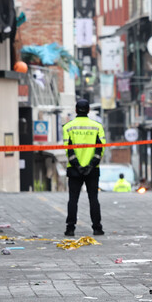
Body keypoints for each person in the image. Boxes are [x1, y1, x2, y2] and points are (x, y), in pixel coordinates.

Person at [63, 99, 106, 236]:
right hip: (92, 170)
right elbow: (100, 149)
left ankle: (70, 229)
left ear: (76, 110)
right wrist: (91, 165)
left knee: (73, 199)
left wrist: (77, 165)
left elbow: (67, 149)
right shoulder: (97, 127)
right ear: (88, 110)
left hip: (74, 169)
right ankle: (97, 228)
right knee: (93, 198)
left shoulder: (67, 127)